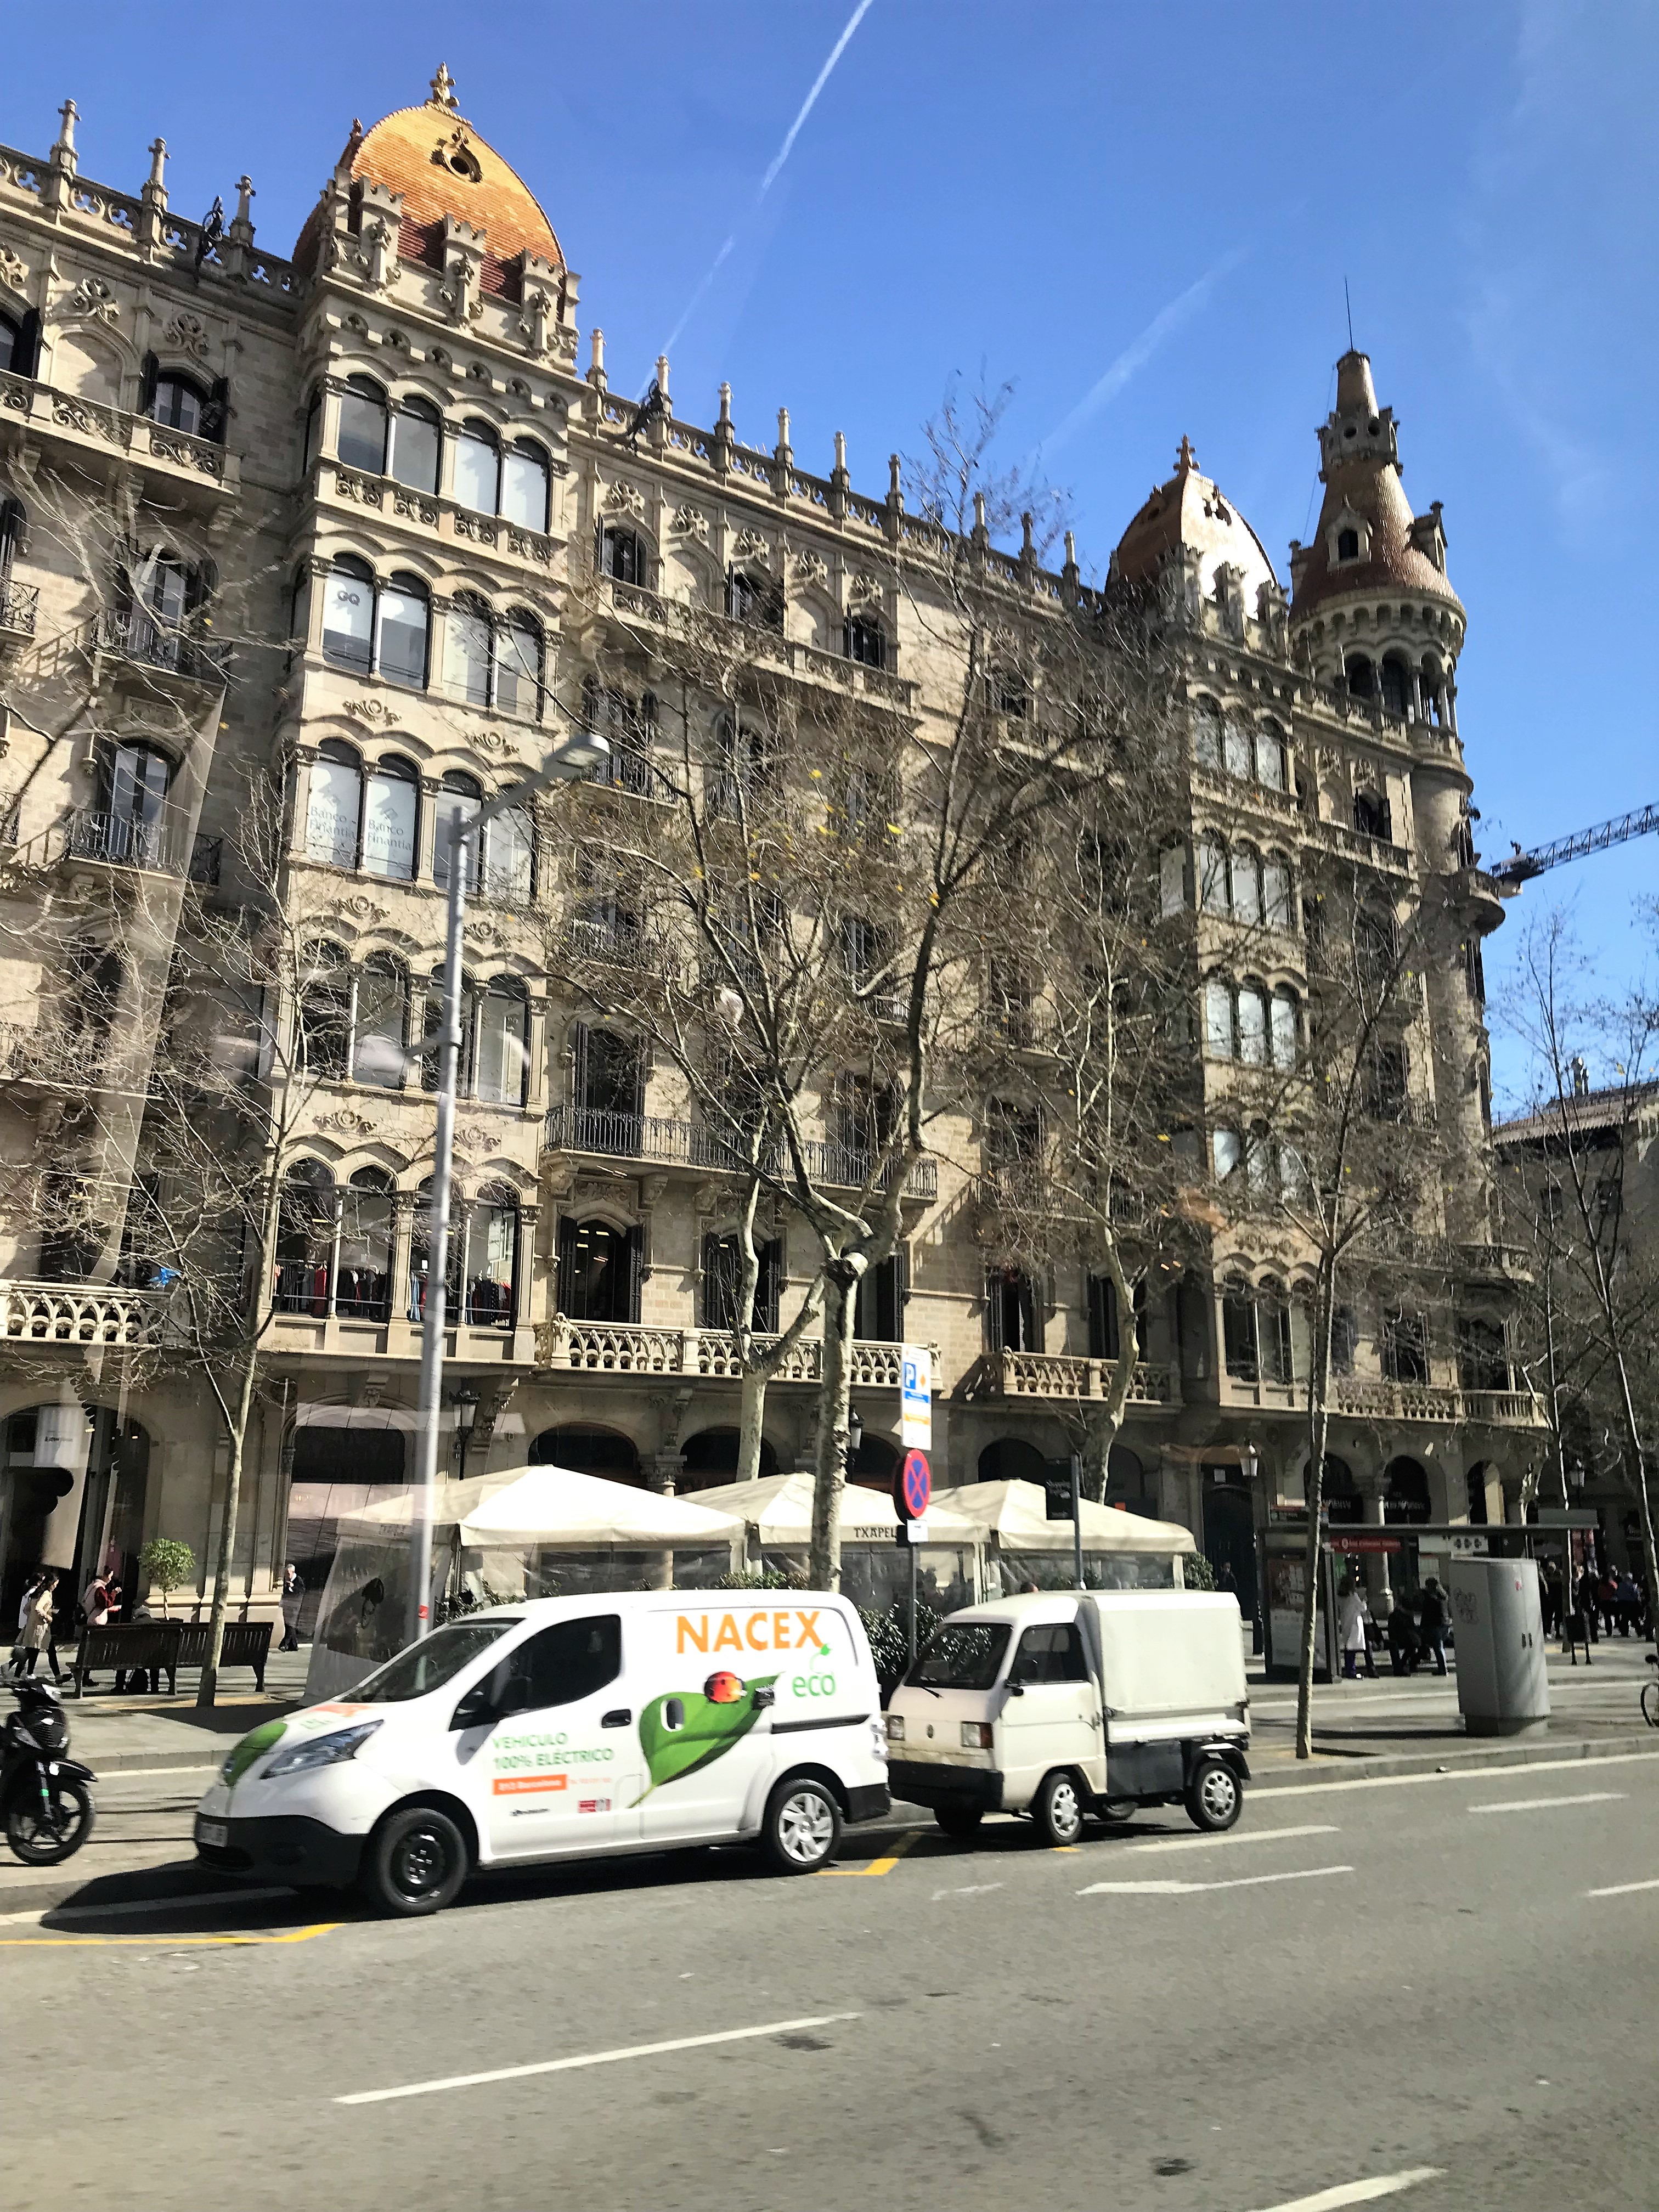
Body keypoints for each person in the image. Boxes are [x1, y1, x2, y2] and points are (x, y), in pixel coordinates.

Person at [19, 1570, 62, 1681]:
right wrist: (48, 1617)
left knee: (36, 1650)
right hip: (41, 1628)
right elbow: (39, 1608)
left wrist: (32, 1617)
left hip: (33, 1626)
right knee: (32, 1651)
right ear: (51, 1583)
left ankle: (57, 1676)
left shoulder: (38, 1592)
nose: (56, 1587)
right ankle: (24, 1673)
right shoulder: (46, 1593)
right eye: (55, 1585)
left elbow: (26, 1609)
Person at [1339, 1580, 1373, 1680]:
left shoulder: (1341, 1596)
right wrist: (1364, 1600)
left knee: (1348, 1647)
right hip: (1354, 1623)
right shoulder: (1353, 1596)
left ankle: (1350, 1669)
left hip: (1346, 1621)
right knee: (1352, 1648)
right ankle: (1351, 1671)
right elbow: (1362, 1608)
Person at [1418, 1577, 1449, 1676]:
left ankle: (1443, 1669)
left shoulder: (1431, 1600)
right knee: (1439, 1647)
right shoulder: (1443, 1597)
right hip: (1444, 1625)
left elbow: (1427, 1615)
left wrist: (1423, 1627)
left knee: (1438, 1648)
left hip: (1434, 1626)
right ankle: (1442, 1668)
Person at [1386, 1599, 1419, 1677]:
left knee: (1413, 1645)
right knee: (1395, 1645)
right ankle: (1400, 1666)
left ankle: (1404, 1664)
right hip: (1398, 1638)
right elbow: (1392, 1631)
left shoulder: (1407, 1616)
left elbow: (1412, 1628)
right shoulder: (1395, 1616)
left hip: (1406, 1638)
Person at [279, 1562, 306, 1653]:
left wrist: (293, 1587)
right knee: (288, 1625)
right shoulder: (286, 1581)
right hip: (287, 1606)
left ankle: (284, 1644)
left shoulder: (298, 1580)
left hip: (295, 1607)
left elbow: (302, 1592)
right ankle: (293, 1645)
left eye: (288, 1573)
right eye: (286, 1573)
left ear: (293, 1572)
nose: (287, 1575)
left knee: (291, 1625)